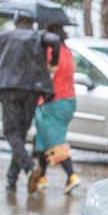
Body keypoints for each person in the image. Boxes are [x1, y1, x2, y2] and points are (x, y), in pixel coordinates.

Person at [0, 13, 60, 193]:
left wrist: (5, 70)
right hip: (31, 90)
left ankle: (28, 167)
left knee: (11, 133)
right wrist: (53, 63)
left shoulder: (4, 37)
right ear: (32, 22)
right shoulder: (38, 36)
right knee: (19, 134)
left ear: (16, 21)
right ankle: (11, 179)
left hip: (9, 88)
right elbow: (56, 40)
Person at [34, 23, 80, 194]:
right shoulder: (67, 51)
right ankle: (42, 177)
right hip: (69, 101)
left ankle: (71, 175)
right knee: (43, 138)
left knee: (54, 141)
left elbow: (45, 74)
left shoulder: (51, 51)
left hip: (53, 102)